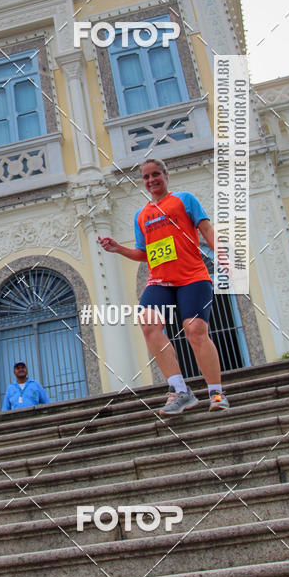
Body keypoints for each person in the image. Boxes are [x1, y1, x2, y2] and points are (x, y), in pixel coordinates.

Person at [98, 157, 230, 416]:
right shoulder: (142, 215)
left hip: (193, 277)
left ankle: (216, 392)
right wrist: (118, 249)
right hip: (159, 281)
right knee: (147, 323)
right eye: (146, 177)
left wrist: (223, 257)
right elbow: (144, 253)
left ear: (166, 175)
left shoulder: (184, 200)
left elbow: (206, 230)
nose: (151, 180)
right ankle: (180, 390)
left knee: (195, 331)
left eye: (155, 174)